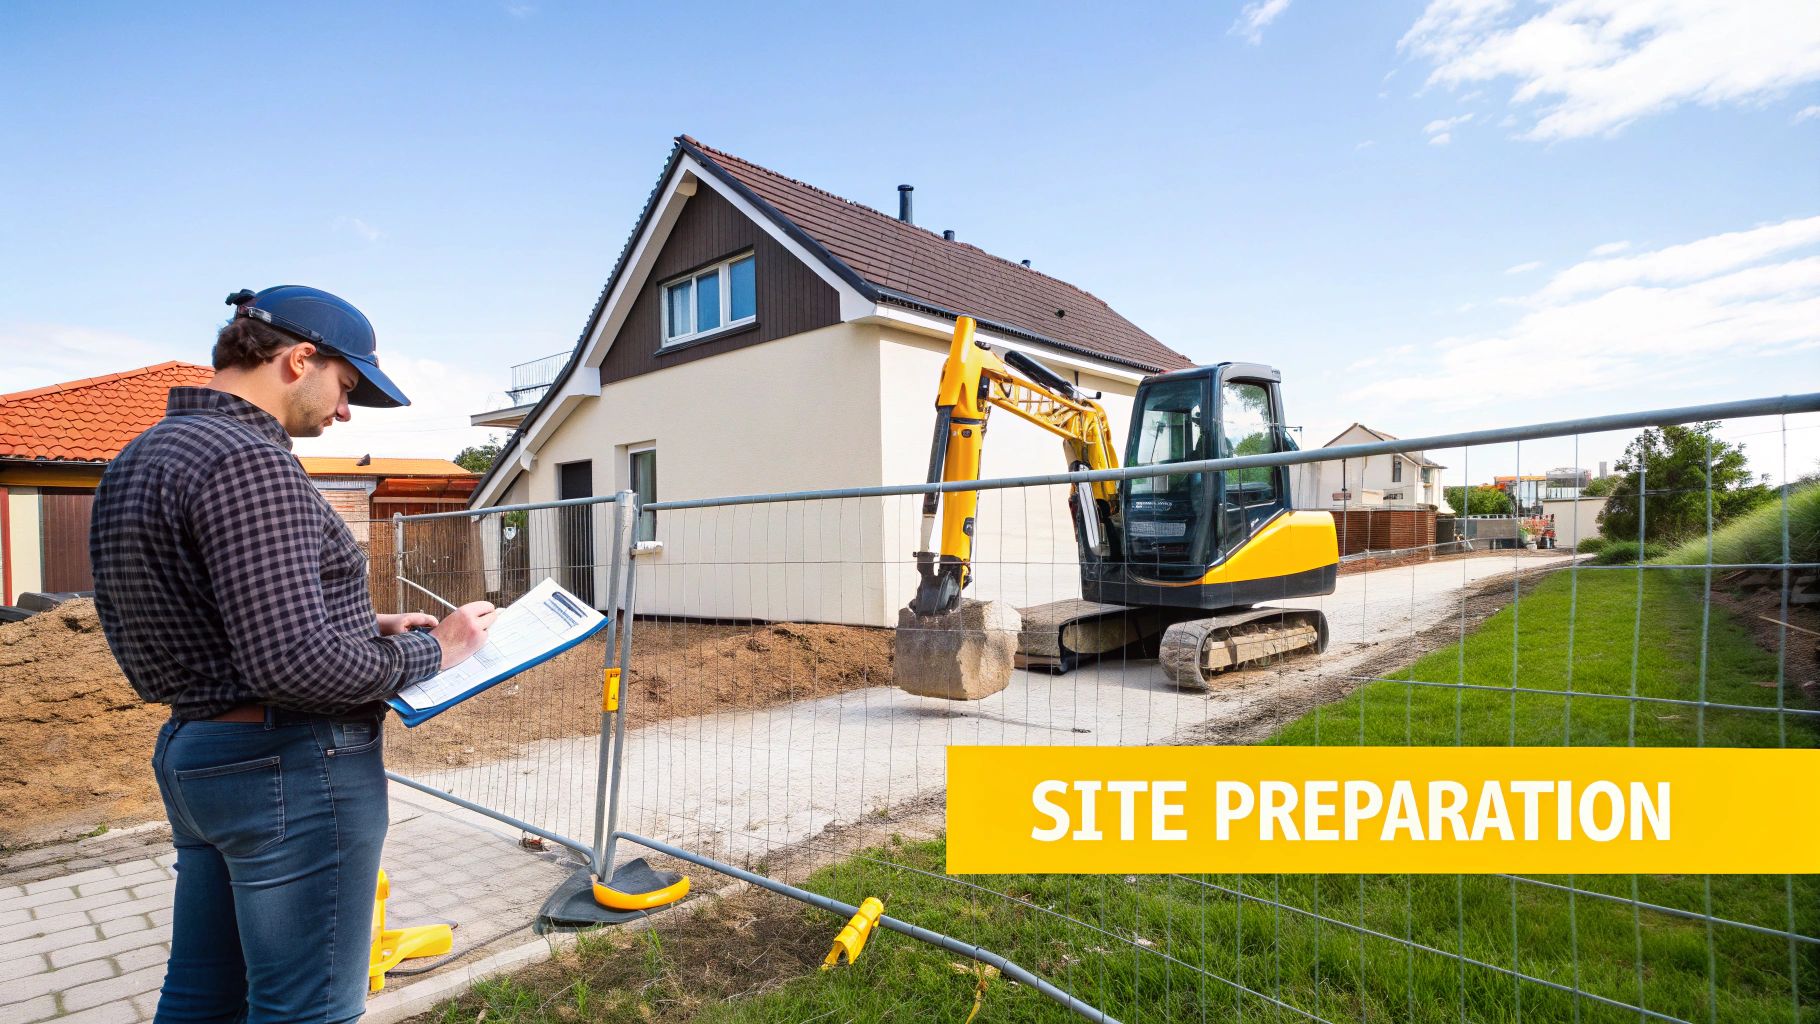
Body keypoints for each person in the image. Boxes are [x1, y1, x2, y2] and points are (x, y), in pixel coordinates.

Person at [89, 286, 498, 1022]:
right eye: (345, 388)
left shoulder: (141, 456)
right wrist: (437, 651)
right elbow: (295, 666)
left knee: (201, 994)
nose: (342, 411)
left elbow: (211, 613)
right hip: (290, 765)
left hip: (199, 753)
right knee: (307, 1008)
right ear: (299, 359)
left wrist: (364, 624)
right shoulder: (251, 461)